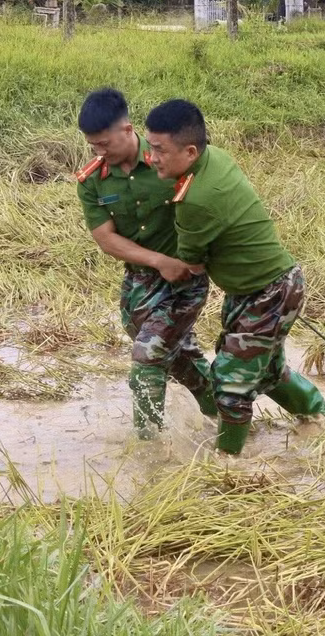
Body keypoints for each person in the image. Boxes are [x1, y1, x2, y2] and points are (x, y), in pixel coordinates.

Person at [143, 99, 325, 455]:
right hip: (259, 289)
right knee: (266, 372)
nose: (153, 158)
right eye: (150, 148)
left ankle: (229, 462)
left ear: (190, 151)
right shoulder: (213, 158)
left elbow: (192, 264)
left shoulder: (197, 200)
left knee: (230, 384)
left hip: (271, 292)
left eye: (160, 150)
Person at [74, 88, 218, 438]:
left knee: (148, 357)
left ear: (128, 130)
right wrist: (158, 261)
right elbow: (106, 238)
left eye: (105, 144)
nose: (99, 152)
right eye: (93, 145)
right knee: (180, 358)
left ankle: (149, 447)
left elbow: (212, 201)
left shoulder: (166, 160)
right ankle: (229, 415)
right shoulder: (93, 179)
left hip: (185, 281)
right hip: (141, 280)